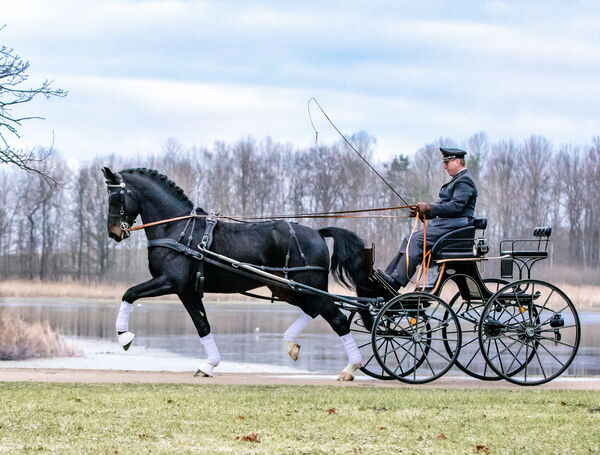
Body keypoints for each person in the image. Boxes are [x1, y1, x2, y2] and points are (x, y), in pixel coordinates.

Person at [379, 147, 478, 290]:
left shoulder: (464, 181)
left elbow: (456, 207)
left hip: (454, 228)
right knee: (408, 238)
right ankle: (389, 277)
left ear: (457, 162)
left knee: (415, 240)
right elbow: (445, 207)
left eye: (447, 162)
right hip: (446, 226)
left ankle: (395, 282)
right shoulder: (458, 181)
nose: (444, 166)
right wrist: (424, 213)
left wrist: (430, 208)